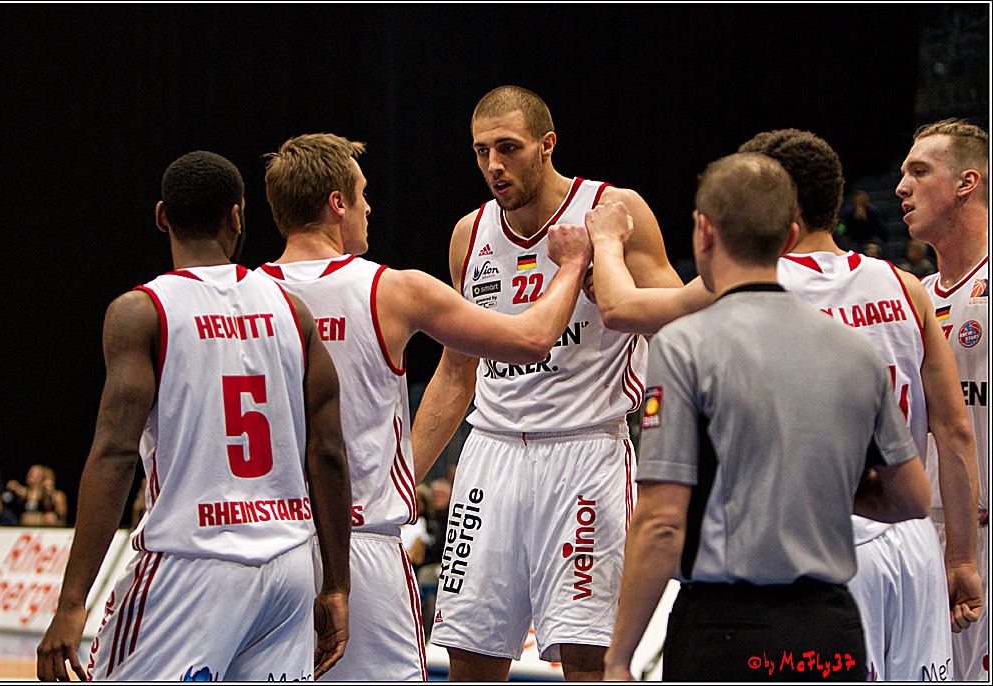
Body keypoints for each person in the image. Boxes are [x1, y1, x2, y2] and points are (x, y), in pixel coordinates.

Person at [257, 132, 593, 681]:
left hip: (266, 546)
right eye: (362, 194)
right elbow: (532, 339)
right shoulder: (393, 290)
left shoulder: (242, 300)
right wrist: (573, 264)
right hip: (360, 544)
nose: (368, 208)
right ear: (337, 204)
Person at [602, 152, 932, 681]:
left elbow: (662, 521)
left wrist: (619, 658)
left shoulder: (686, 345)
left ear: (704, 232)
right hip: (831, 631)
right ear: (789, 237)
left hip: (726, 631)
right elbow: (912, 498)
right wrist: (808, 484)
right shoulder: (855, 351)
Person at [36, 151, 352, 681]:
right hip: (288, 568)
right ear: (237, 217)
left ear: (162, 217)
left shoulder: (142, 311)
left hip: (190, 564)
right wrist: (337, 585)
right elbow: (328, 452)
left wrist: (72, 602)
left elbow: (115, 453)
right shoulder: (292, 311)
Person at [410, 85, 682, 681]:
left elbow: (681, 330)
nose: (493, 165)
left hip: (585, 452)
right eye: (481, 151)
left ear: (546, 144)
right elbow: (455, 372)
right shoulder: (469, 233)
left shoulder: (612, 210)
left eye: (508, 148)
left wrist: (613, 283)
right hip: (491, 456)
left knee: (589, 658)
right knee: (467, 657)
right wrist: (399, 485)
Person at [740, 128, 981, 679]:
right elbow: (955, 430)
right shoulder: (907, 287)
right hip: (917, 535)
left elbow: (629, 307)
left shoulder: (751, 287)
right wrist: (962, 556)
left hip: (826, 537)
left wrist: (606, 245)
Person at [897, 118, 989, 681]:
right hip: (927, 537)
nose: (901, 187)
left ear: (966, 183)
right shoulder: (916, 297)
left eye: (919, 171)